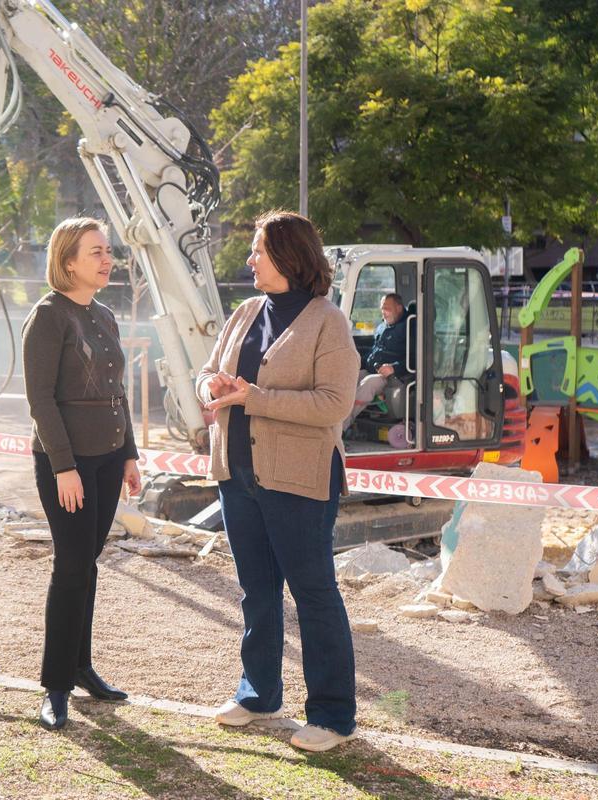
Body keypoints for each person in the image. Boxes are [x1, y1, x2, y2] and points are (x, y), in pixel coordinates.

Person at [196, 210, 360, 752]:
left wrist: (253, 398)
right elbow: (207, 373)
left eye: (258, 250)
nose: (249, 260)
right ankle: (258, 694)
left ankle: (332, 716)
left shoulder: (326, 321)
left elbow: (335, 404)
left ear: (288, 256)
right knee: (256, 591)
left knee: (313, 592)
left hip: (300, 479)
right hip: (236, 472)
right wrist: (211, 387)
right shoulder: (244, 311)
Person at [22, 217, 143, 731]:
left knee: (88, 563)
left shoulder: (105, 316)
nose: (106, 259)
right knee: (71, 565)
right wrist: (63, 467)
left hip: (109, 458)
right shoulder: (48, 317)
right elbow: (40, 400)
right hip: (65, 462)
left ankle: (81, 666)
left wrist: (131, 455)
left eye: (107, 251)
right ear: (67, 260)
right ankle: (55, 685)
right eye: (95, 251)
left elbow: (117, 391)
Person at [343, 292, 411, 431]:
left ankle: (341, 428)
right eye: (382, 308)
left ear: (398, 308)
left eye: (387, 308)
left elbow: (416, 359)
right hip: (373, 369)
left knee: (368, 383)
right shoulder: (383, 326)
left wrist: (394, 368)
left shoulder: (409, 327)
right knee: (349, 377)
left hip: (393, 376)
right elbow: (373, 352)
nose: (383, 312)